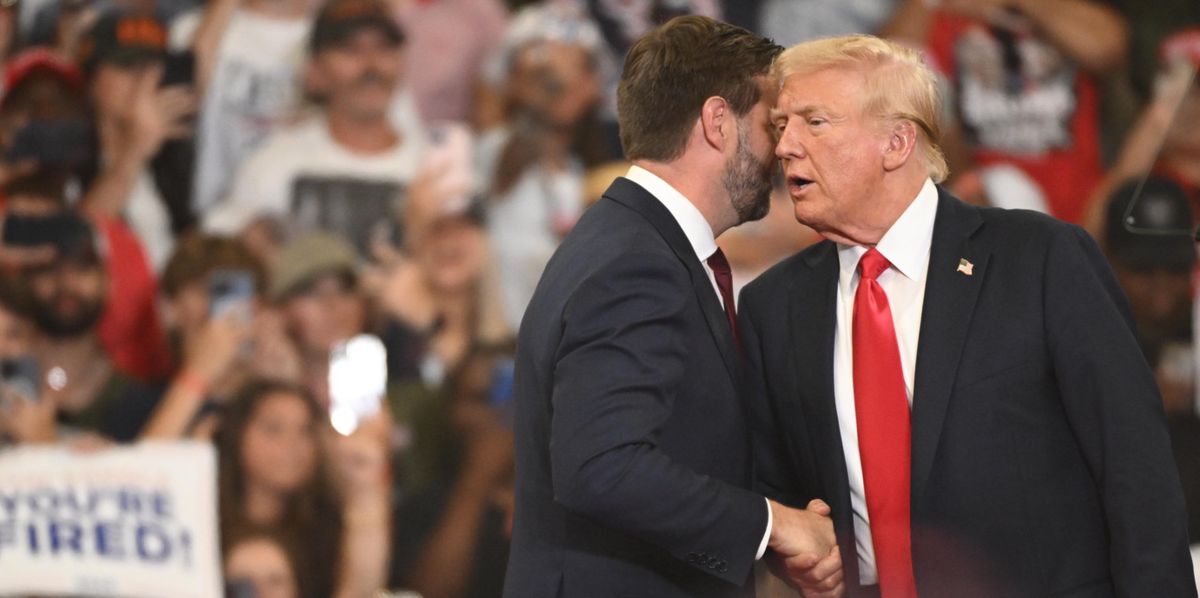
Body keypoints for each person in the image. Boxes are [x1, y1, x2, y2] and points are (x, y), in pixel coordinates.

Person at [740, 34, 1195, 597]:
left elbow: (1137, 472)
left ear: (897, 142)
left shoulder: (1041, 260)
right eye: (781, 125)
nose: (785, 146)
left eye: (814, 121)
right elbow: (779, 497)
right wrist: (800, 556)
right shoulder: (773, 308)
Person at [504, 16, 840, 598]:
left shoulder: (632, 241)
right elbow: (602, 467)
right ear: (717, 122)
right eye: (771, 125)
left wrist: (763, 536)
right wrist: (770, 523)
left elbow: (683, 445)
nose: (785, 149)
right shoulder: (636, 263)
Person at [882, 0, 1127, 224]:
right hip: (976, 204)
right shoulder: (944, 13)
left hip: (1075, 210)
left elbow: (1107, 48)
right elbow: (886, 70)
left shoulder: (1064, 11)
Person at [201, 0, 426, 236]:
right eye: (351, 50)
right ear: (314, 71)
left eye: (384, 48)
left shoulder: (433, 168)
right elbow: (219, 253)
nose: (372, 65)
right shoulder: (273, 167)